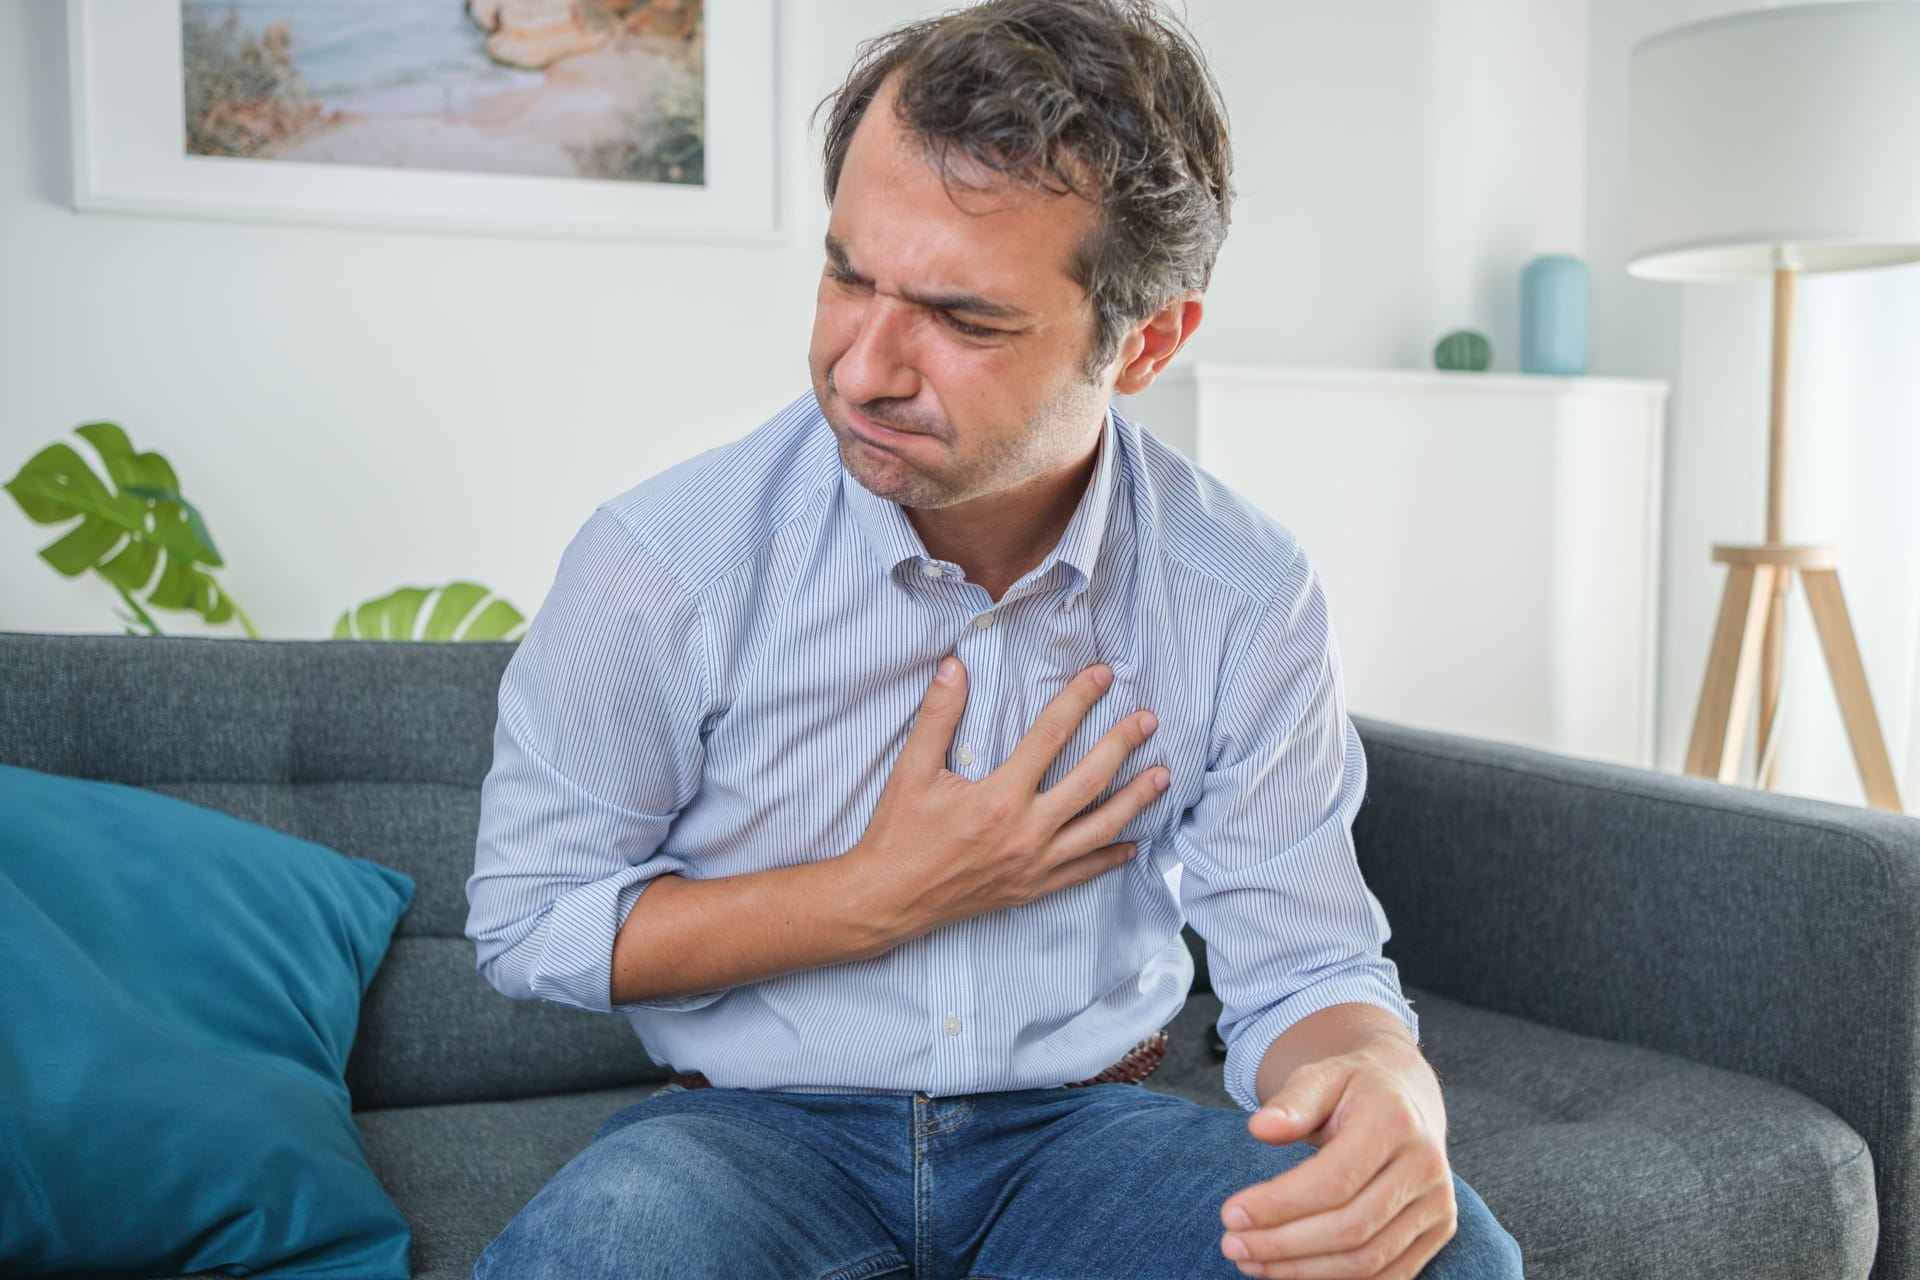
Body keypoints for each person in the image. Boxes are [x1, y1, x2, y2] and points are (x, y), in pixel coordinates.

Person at [464, 1, 1525, 1276]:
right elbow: (532, 921)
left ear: (1146, 342)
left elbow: (1302, 965)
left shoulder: (1241, 591)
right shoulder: (665, 562)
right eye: (849, 272)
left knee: (1445, 1259)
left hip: (1084, 1136)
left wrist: (1381, 1076)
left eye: (964, 321)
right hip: (747, 1136)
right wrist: (873, 895)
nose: (863, 367)